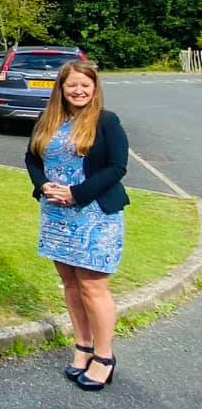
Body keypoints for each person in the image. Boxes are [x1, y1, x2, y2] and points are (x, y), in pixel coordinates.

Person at [25, 61, 128, 392]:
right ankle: (82, 347)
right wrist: (42, 185)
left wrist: (76, 193)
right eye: (72, 85)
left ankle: (104, 357)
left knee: (92, 286)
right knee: (70, 284)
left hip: (94, 215)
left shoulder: (106, 121)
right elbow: (32, 158)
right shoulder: (49, 120)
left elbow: (117, 166)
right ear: (61, 88)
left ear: (95, 88)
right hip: (57, 216)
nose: (78, 90)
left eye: (85, 84)